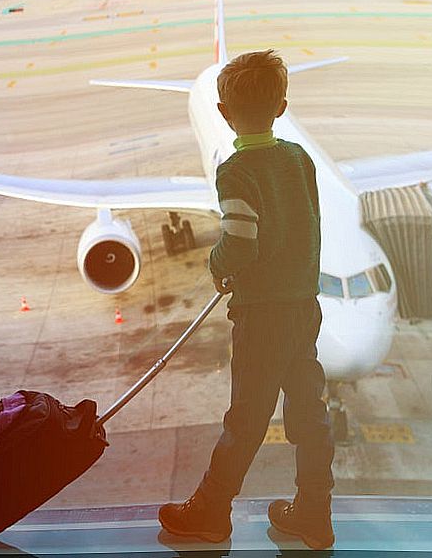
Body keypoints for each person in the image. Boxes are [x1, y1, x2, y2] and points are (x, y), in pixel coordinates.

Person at [157, 49, 335, 549]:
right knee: (309, 411)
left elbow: (241, 242)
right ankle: (314, 515)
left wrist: (218, 267)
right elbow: (309, 228)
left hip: (263, 317)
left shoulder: (236, 171)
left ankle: (211, 512)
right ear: (282, 106)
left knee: (246, 420)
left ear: (223, 112)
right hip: (304, 308)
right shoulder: (299, 160)